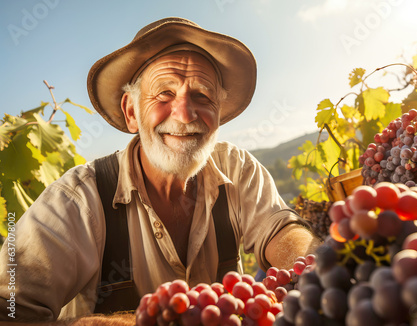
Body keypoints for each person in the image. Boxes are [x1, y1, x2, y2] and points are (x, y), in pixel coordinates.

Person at [0, 17, 320, 323]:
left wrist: (313, 270)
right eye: (165, 93)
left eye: (201, 95)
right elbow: (9, 313)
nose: (184, 114)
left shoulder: (238, 169)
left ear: (218, 113)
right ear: (131, 112)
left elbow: (281, 231)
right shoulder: (77, 200)